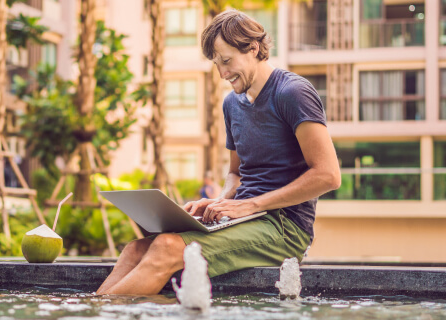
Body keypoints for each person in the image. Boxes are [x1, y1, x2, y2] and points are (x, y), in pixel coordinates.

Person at [96, 9, 340, 296]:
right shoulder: (231, 104)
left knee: (166, 247)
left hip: (285, 227)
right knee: (135, 249)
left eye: (226, 61)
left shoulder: (293, 92)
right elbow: (236, 173)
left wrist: (250, 205)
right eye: (216, 64)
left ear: (253, 48)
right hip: (242, 218)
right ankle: (93, 312)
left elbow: (328, 175)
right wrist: (220, 202)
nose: (222, 73)